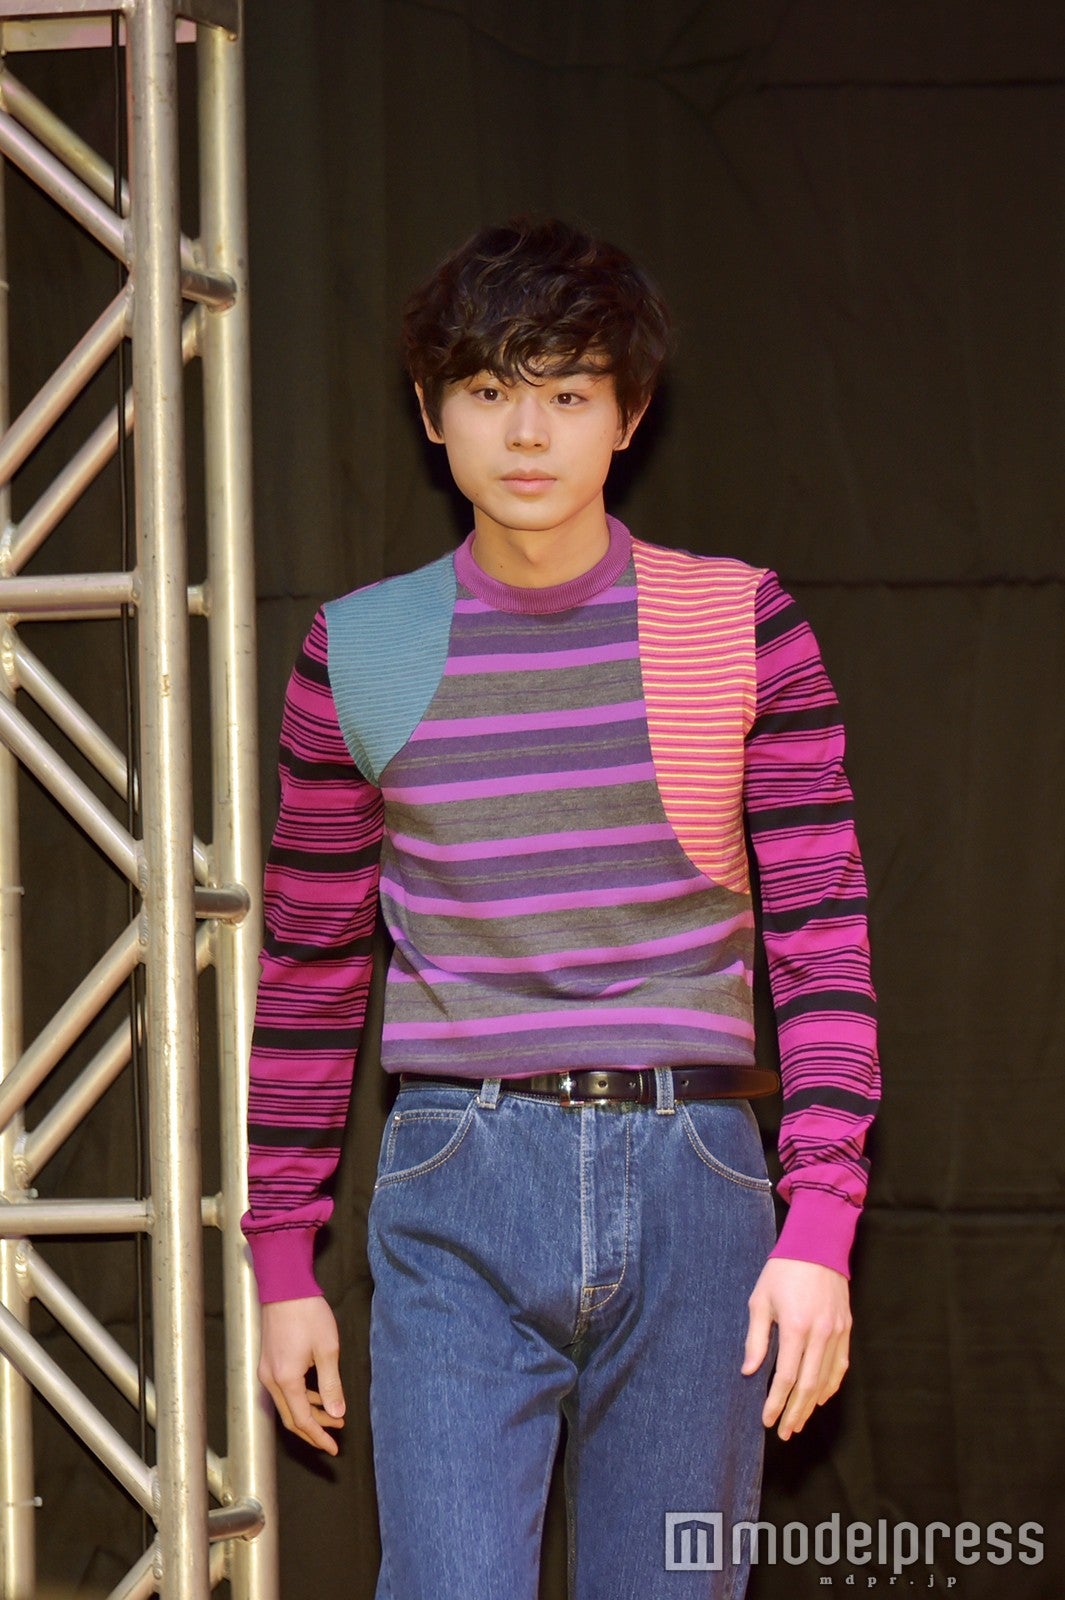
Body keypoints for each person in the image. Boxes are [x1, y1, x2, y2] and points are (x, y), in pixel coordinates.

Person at [241, 217, 879, 1599]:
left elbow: (821, 936)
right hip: (456, 1176)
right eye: (488, 390)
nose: (526, 433)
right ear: (431, 412)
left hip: (698, 1174)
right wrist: (281, 1254)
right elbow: (309, 962)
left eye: (569, 392)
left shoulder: (739, 625)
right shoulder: (361, 649)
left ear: (629, 415)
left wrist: (821, 1221)